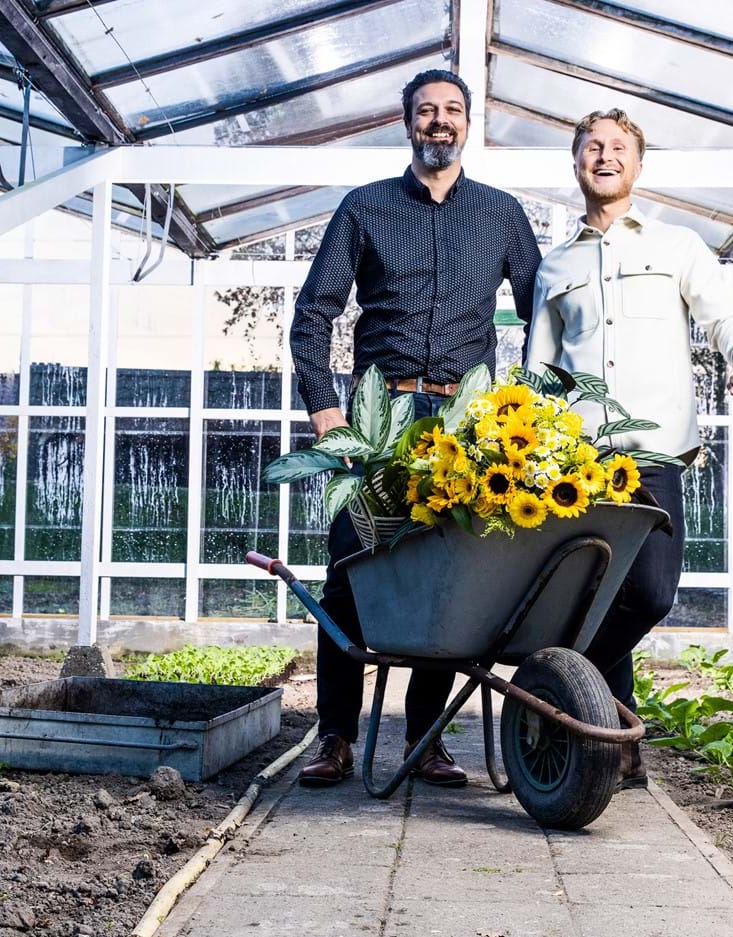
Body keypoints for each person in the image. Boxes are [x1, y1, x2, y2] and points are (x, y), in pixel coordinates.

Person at [290, 68, 542, 787]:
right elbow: (313, 314)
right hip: (381, 420)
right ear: (407, 124)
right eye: (426, 110)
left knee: (451, 581)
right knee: (351, 570)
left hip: (467, 425)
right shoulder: (365, 207)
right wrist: (324, 406)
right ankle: (336, 735)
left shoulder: (501, 214)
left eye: (452, 110)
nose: (439, 121)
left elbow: (545, 314)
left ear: (468, 124)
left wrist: (534, 411)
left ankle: (428, 739)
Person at [525, 108, 733, 789]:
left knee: (650, 592)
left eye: (618, 147)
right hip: (577, 466)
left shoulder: (678, 247)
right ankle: (618, 748)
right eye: (592, 147)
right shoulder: (556, 266)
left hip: (652, 454)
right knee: (592, 595)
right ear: (576, 161)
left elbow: (724, 313)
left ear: (637, 164)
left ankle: (561, 687)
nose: (604, 156)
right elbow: (538, 371)